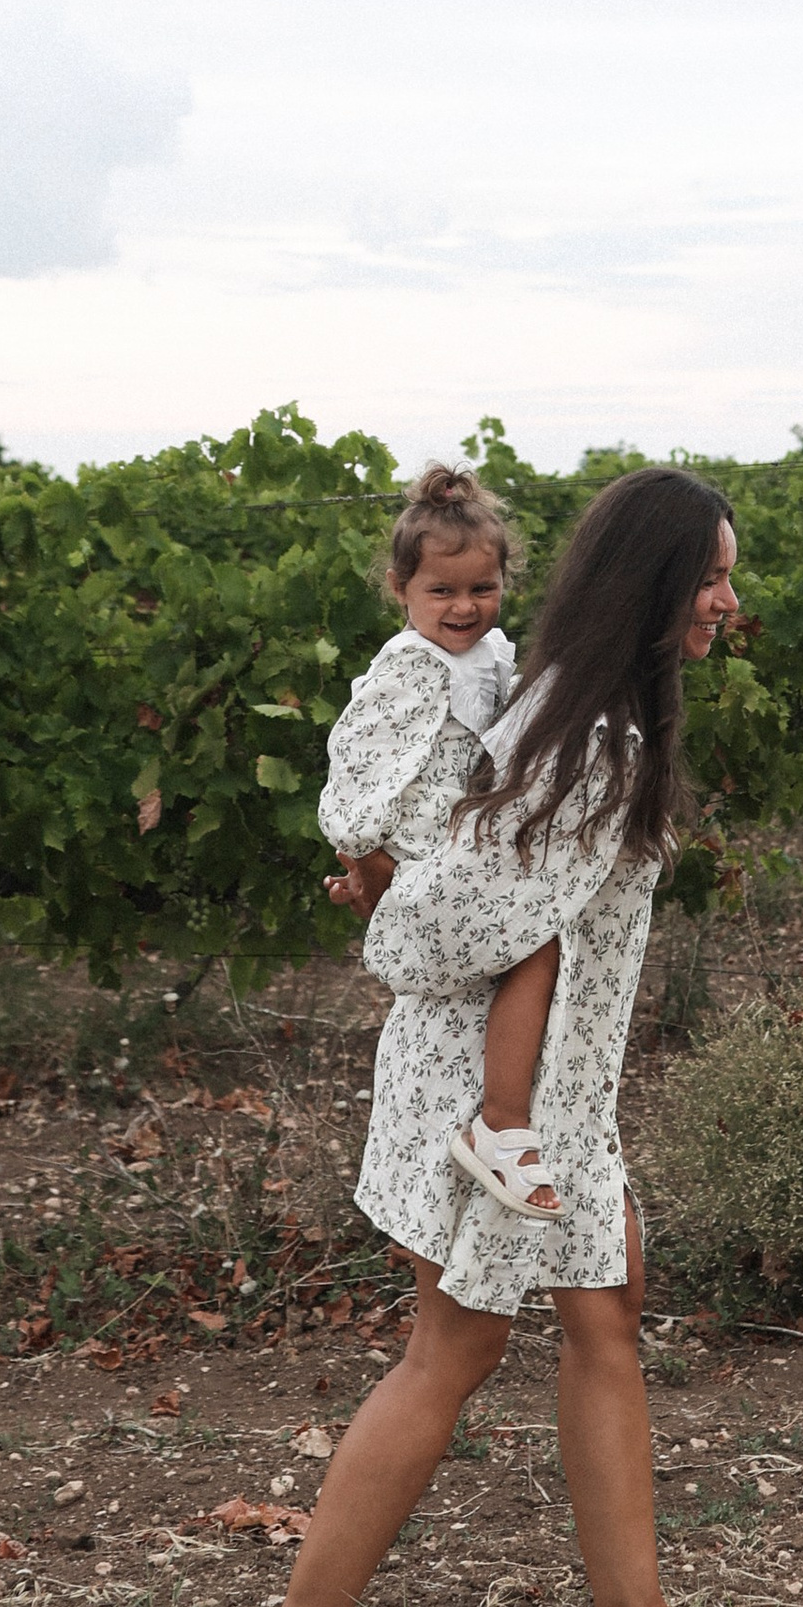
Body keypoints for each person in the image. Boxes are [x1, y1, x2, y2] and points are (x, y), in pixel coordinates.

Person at [252, 464, 768, 1607]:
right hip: (494, 1102)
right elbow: (448, 922)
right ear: (650, 589)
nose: (729, 600)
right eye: (709, 577)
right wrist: (387, 912)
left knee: (603, 1316)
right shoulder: (586, 745)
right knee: (456, 1344)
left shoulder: (598, 723)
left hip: (559, 1099)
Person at [318, 461, 568, 1217]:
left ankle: (497, 1118)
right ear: (400, 589)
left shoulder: (491, 656)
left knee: (522, 958)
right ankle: (501, 1124)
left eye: (481, 589)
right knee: (537, 942)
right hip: (427, 863)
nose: (464, 606)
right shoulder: (409, 669)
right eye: (443, 591)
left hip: (465, 853)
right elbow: (353, 770)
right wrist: (371, 865)